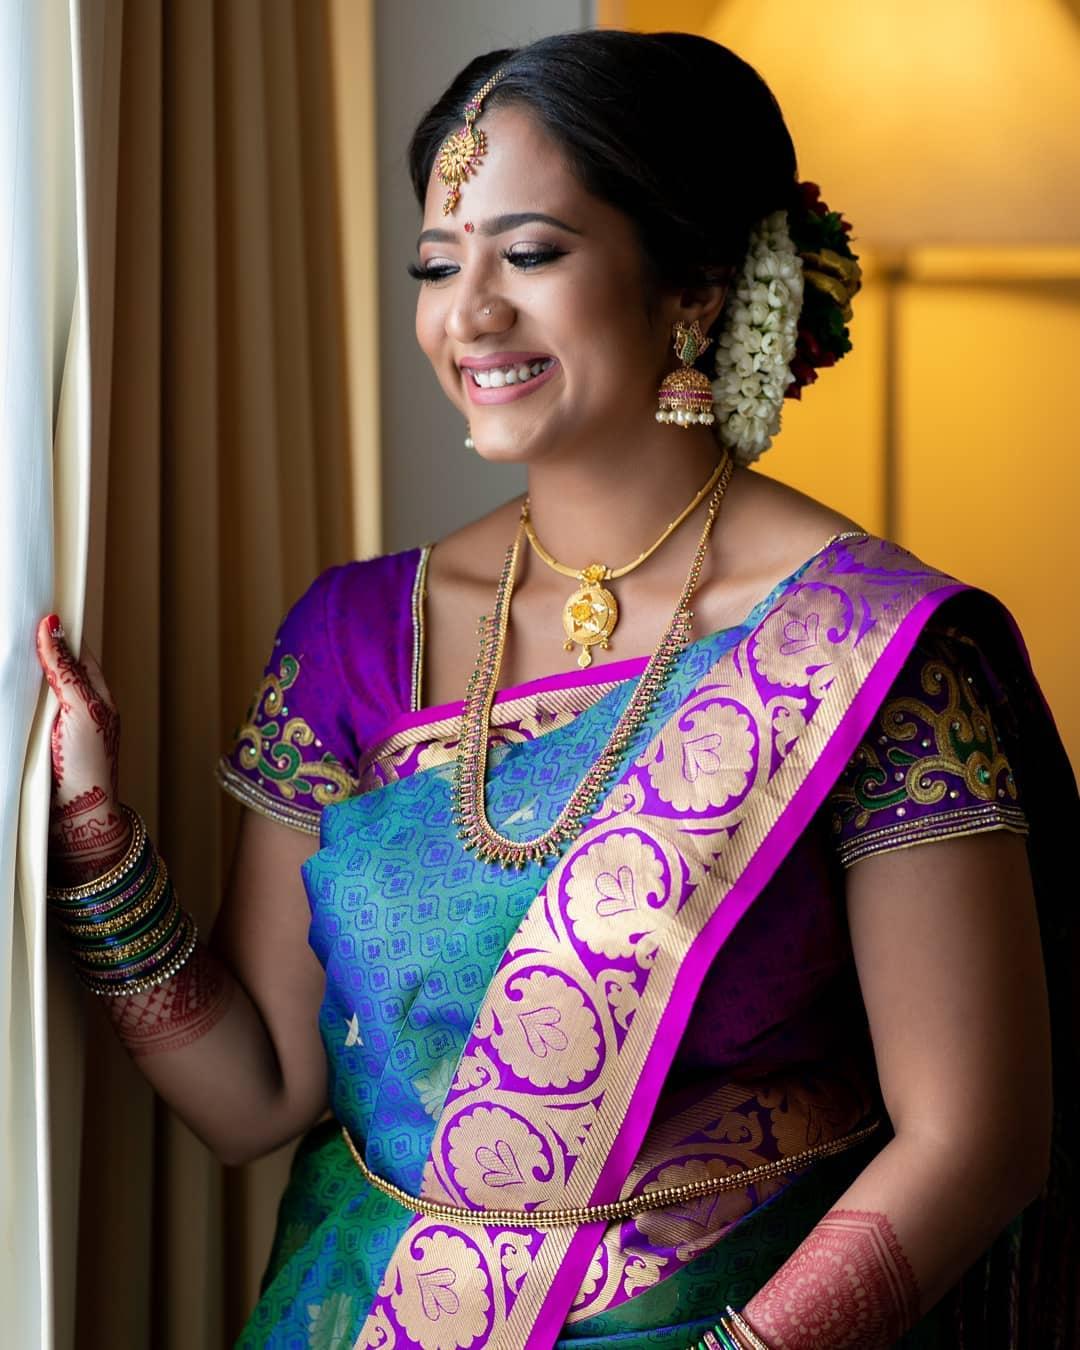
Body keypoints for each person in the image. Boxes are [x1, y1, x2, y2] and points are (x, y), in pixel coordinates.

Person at [36, 29, 1077, 1350]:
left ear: (691, 285)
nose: (466, 313)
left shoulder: (871, 652)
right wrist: (92, 842)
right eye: (436, 264)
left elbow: (977, 1139)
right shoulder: (358, 637)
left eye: (529, 254)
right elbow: (256, 1093)